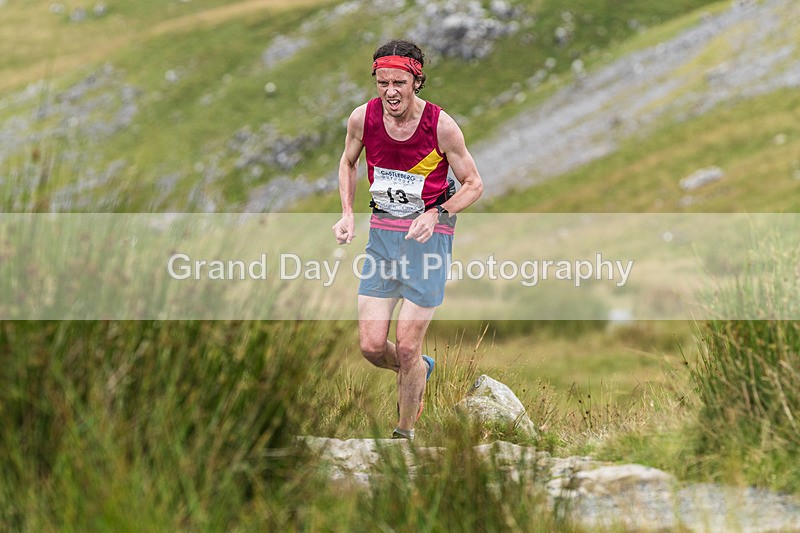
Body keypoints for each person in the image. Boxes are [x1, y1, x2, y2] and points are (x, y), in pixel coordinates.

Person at [332, 40, 483, 440]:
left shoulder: (441, 125)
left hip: (427, 243)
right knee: (370, 345)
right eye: (383, 82)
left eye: (399, 81)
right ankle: (419, 369)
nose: (390, 91)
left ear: (417, 80)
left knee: (407, 345)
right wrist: (347, 213)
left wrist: (437, 213)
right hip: (382, 238)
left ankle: (404, 434)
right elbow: (348, 162)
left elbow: (473, 184)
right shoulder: (362, 118)